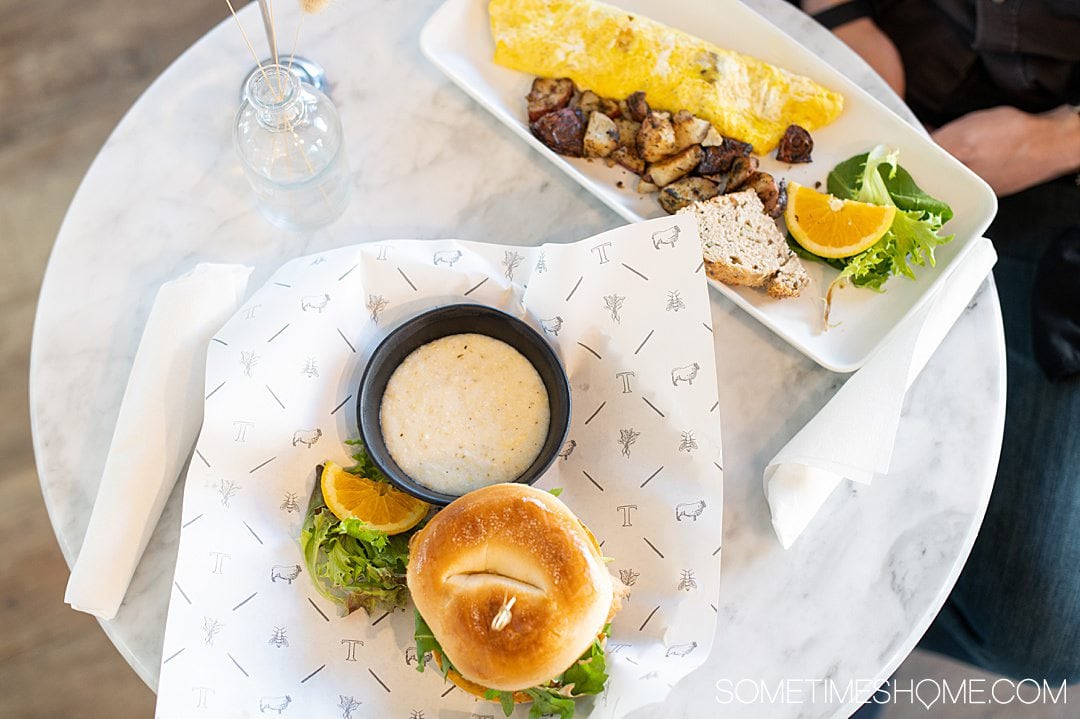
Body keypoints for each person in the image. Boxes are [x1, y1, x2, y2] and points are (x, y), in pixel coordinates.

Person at [797, 0, 1080, 714]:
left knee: (1045, 636)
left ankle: (851, 606)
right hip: (867, 44)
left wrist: (1058, 139)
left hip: (1057, 171)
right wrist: (841, 14)